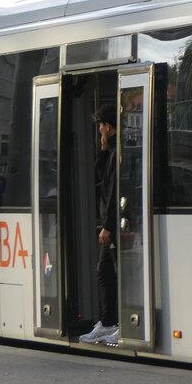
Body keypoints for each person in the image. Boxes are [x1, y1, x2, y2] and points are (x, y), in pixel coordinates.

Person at [80, 103, 120, 344]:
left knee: (106, 272)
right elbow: (99, 176)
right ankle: (108, 323)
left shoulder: (117, 153)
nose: (99, 132)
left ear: (107, 126)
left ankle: (110, 323)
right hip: (113, 223)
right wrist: (103, 150)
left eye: (100, 127)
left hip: (113, 225)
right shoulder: (112, 152)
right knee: (107, 272)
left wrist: (108, 225)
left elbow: (113, 190)